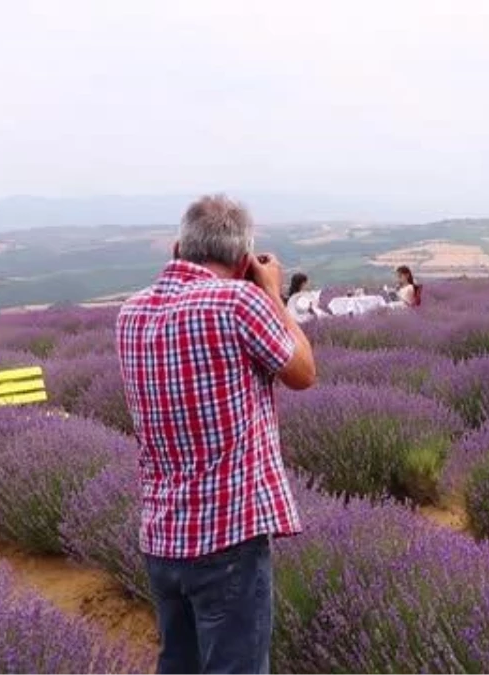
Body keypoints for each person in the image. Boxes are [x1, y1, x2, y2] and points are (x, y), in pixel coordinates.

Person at [116, 194, 317, 675]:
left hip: (162, 538)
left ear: (176, 249)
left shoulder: (130, 313)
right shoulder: (240, 301)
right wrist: (271, 292)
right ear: (245, 260)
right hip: (228, 537)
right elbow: (304, 372)